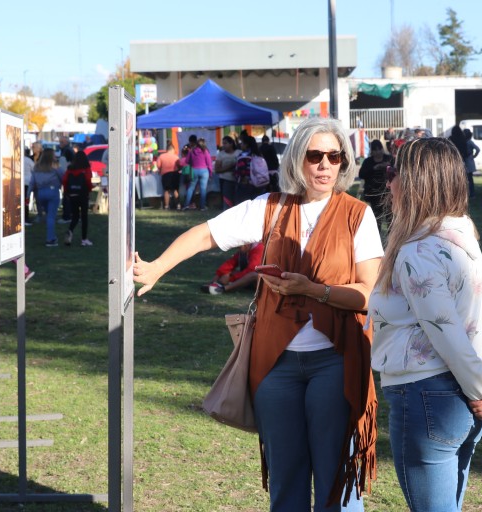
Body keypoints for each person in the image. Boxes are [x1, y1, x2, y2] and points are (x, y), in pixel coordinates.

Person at [133, 117, 382, 511]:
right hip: (275, 364)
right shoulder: (271, 207)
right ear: (297, 159)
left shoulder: (357, 215)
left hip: (335, 361)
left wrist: (313, 290)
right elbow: (206, 234)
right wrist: (157, 267)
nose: (325, 165)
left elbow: (369, 293)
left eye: (334, 157)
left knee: (337, 482)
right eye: (315, 156)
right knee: (286, 481)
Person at [368, 137, 482, 512]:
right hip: (459, 400)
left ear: (414, 182)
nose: (388, 181)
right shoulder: (460, 236)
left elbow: (448, 334)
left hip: (427, 397)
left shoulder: (417, 251)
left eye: (393, 172)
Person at [30, 148, 64, 247]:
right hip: (52, 191)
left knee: (48, 214)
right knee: (51, 216)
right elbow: (63, 176)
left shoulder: (37, 167)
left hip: (40, 193)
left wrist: (28, 194)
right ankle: (50, 239)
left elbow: (32, 182)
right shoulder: (55, 166)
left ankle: (52, 236)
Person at [357, 139, 393, 230]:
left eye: (379, 149)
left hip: (387, 192)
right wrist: (374, 168)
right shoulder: (368, 162)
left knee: (390, 218)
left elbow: (396, 172)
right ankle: (377, 234)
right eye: (375, 150)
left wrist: (388, 167)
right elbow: (361, 174)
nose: (378, 152)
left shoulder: (389, 158)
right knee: (377, 218)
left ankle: (391, 236)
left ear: (382, 149)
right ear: (372, 151)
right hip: (374, 194)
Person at [62, 150, 94, 247]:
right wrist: (90, 189)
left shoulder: (70, 169)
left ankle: (70, 230)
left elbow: (64, 180)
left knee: (75, 216)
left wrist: (67, 192)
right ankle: (84, 239)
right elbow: (88, 181)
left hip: (72, 195)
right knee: (84, 217)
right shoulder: (86, 169)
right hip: (83, 195)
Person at [183, 136, 212, 211]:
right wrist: (210, 173)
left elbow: (186, 161)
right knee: (203, 189)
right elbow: (209, 163)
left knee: (191, 188)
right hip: (204, 171)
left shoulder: (191, 151)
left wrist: (192, 162)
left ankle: (186, 205)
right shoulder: (205, 151)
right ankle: (202, 207)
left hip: (194, 170)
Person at [234, 136, 264, 204]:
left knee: (243, 205)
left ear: (246, 144)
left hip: (245, 185)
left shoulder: (242, 156)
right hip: (259, 184)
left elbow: (241, 171)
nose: (240, 145)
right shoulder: (259, 155)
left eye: (242, 143)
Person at [214, 136, 239, 210]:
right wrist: (230, 167)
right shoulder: (221, 154)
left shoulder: (238, 152)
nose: (223, 145)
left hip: (238, 180)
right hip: (225, 179)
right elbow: (217, 169)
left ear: (231, 144)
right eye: (223, 143)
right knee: (227, 200)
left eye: (225, 143)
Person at [448, 126, 473, 197]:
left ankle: (453, 192)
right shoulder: (463, 139)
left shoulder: (451, 139)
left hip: (452, 160)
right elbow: (465, 151)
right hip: (461, 159)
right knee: (462, 177)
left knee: (453, 177)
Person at [158, 142, 181, 210]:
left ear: (167, 149)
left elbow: (158, 166)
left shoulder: (161, 156)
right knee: (175, 190)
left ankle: (167, 206)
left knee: (166, 190)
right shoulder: (176, 157)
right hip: (175, 174)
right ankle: (178, 205)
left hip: (165, 175)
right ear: (172, 149)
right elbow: (179, 165)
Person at [58, 136, 75, 224]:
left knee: (67, 197)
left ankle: (67, 216)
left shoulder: (66, 151)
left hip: (68, 176)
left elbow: (64, 166)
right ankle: (70, 215)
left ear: (66, 142)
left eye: (62, 142)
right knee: (69, 197)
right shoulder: (69, 150)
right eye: (60, 142)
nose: (60, 143)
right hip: (70, 176)